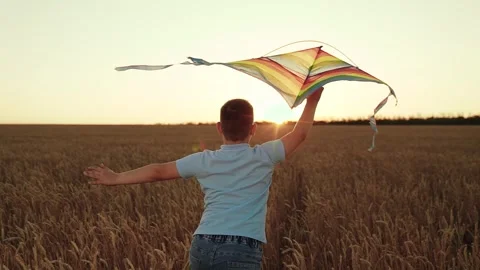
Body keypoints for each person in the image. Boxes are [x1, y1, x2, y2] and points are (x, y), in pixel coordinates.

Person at [83, 87, 324, 269]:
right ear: (253, 129)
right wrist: (312, 99)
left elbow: (158, 171)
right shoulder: (264, 156)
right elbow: (300, 133)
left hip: (203, 245)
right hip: (241, 250)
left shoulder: (203, 160)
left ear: (219, 127)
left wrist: (115, 178)